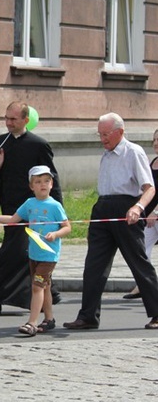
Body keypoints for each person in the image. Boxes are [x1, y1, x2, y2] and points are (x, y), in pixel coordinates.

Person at [64, 113, 158, 330]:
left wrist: (138, 207)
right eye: (100, 134)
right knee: (93, 265)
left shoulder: (133, 152)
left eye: (106, 134)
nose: (102, 139)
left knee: (138, 263)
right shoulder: (106, 154)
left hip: (126, 210)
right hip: (103, 209)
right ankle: (88, 316)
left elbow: (149, 187)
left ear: (120, 132)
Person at [0, 101, 63, 316]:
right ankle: (51, 293)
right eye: (6, 118)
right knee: (25, 253)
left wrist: (57, 209)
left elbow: (52, 178)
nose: (8, 123)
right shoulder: (0, 141)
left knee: (11, 254)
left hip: (33, 210)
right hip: (9, 206)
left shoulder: (38, 145)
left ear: (26, 120)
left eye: (13, 119)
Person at [0, 166, 71, 336]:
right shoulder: (29, 204)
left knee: (36, 287)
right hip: (34, 253)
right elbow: (13, 219)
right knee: (45, 287)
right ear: (31, 186)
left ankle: (31, 322)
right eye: (38, 181)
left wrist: (55, 234)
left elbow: (67, 227)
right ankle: (49, 319)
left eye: (46, 181)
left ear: (51, 184)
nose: (43, 184)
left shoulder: (55, 206)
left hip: (49, 255)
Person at [122, 128, 158, 300]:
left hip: (154, 215)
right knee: (142, 251)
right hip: (147, 217)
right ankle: (142, 286)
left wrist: (156, 212)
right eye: (154, 140)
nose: (156, 143)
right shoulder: (152, 163)